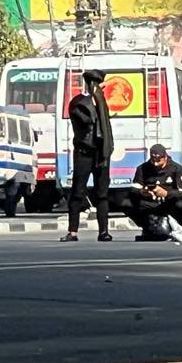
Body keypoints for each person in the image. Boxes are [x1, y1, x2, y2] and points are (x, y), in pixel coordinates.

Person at [63, 69, 116, 243]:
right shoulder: (79, 103)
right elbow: (86, 123)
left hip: (101, 153)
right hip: (84, 153)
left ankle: (104, 231)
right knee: (78, 192)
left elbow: (106, 130)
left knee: (102, 194)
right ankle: (72, 231)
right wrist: (94, 102)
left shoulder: (102, 103)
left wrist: (99, 102)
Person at [131, 142, 182, 243]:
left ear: (165, 157)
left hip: (169, 204)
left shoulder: (176, 168)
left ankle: (173, 224)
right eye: (153, 160)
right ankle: (146, 226)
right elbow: (134, 189)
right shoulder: (142, 168)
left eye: (158, 160)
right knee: (125, 201)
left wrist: (166, 193)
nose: (155, 163)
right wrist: (144, 192)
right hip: (150, 203)